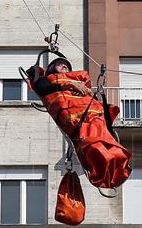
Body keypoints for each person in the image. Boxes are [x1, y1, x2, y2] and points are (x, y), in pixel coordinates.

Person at [31, 57, 132, 190]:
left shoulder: (81, 85)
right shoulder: (48, 81)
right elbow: (41, 88)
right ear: (51, 69)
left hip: (93, 116)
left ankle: (113, 166)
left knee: (103, 138)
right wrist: (68, 85)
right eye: (59, 64)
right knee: (93, 140)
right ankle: (102, 166)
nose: (64, 65)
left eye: (66, 64)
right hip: (77, 120)